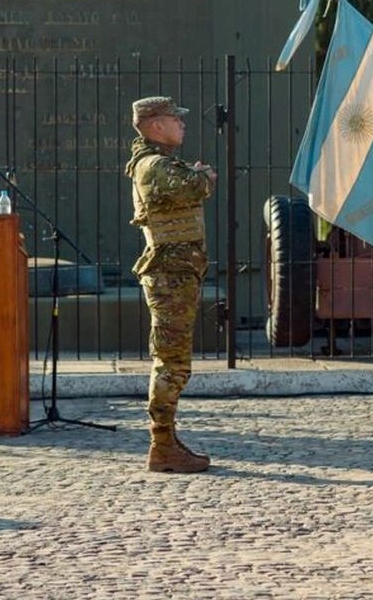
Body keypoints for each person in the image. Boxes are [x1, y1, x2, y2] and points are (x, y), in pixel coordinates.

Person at [126, 96, 216, 474]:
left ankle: (166, 440)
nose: (183, 125)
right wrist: (203, 178)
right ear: (156, 125)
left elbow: (186, 187)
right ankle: (162, 444)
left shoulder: (159, 164)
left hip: (178, 273)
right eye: (175, 120)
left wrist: (196, 179)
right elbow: (192, 187)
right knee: (171, 363)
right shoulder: (152, 165)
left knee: (175, 361)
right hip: (169, 274)